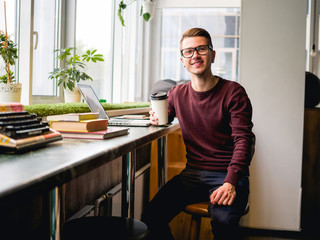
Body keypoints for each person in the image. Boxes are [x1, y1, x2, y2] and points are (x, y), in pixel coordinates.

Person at [141, 27, 255, 240]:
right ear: (182, 60)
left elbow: (244, 140)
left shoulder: (233, 92)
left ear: (212, 54)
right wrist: (157, 117)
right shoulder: (176, 93)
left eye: (201, 49)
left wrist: (230, 182)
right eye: (188, 51)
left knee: (223, 223)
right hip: (192, 174)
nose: (195, 55)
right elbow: (167, 114)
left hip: (227, 175)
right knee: (150, 217)